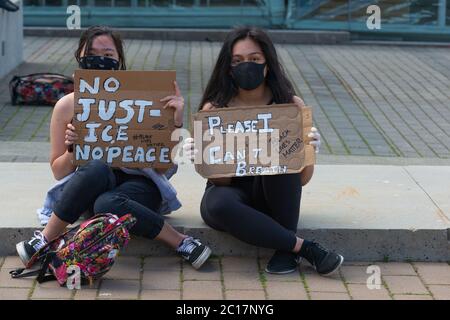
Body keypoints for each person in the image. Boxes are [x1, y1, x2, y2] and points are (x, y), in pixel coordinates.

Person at [16, 25, 211, 270]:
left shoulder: (145, 100)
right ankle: (45, 238)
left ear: (119, 61)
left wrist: (175, 121)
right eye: (93, 54)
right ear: (80, 58)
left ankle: (183, 243)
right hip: (92, 185)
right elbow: (58, 172)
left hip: (140, 188)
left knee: (107, 204)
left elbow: (163, 167)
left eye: (108, 55)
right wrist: (72, 150)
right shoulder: (67, 106)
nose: (100, 60)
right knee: (97, 170)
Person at [184, 26, 344, 275]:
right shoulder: (215, 110)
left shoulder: (289, 106)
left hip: (273, 195)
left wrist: (307, 151)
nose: (246, 66)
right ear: (228, 67)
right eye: (238, 61)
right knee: (219, 203)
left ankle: (286, 248)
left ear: (268, 63)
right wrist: (204, 156)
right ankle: (302, 248)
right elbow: (221, 181)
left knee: (280, 165)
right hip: (230, 192)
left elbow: (301, 179)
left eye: (255, 59)